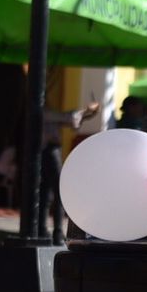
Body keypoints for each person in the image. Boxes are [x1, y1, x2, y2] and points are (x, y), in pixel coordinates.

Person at [40, 96, 101, 242]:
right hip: (48, 150)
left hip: (48, 150)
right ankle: (53, 230)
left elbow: (70, 121)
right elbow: (67, 117)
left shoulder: (43, 112)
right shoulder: (41, 111)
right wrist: (86, 111)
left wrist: (86, 114)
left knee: (47, 192)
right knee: (55, 190)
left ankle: (49, 229)